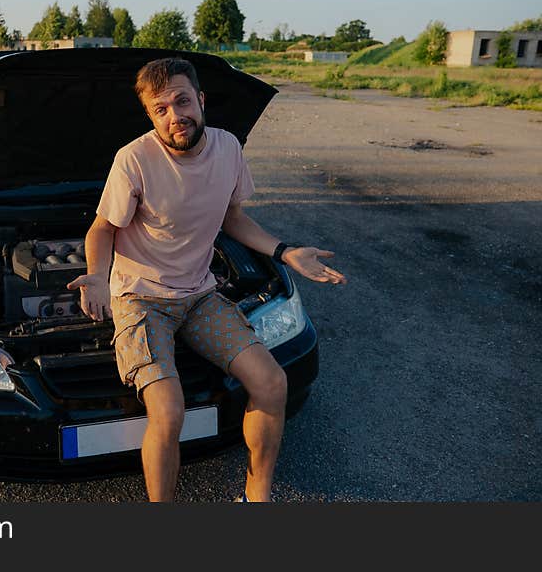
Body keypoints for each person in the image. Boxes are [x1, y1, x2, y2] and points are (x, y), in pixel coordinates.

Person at [67, 57, 346, 502]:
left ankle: (257, 498)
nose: (174, 115)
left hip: (198, 293)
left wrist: (285, 251)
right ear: (150, 115)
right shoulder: (134, 160)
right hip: (140, 298)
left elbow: (232, 218)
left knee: (272, 383)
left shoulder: (228, 148)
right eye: (160, 109)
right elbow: (102, 228)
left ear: (200, 100)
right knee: (169, 409)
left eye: (181, 101)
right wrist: (97, 277)